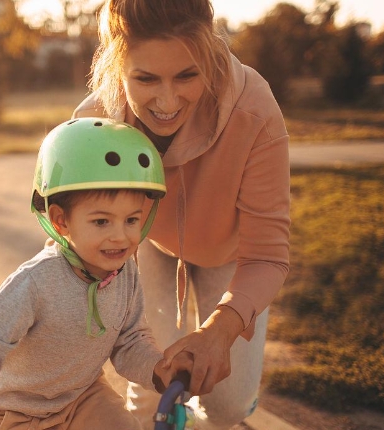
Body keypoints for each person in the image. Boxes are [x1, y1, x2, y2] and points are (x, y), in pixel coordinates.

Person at [72, 1, 291, 429]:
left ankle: (227, 408)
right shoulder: (94, 122)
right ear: (119, 66)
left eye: (187, 75)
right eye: (146, 78)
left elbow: (268, 255)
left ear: (209, 55)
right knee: (150, 389)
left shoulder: (255, 111)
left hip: (229, 251)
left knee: (225, 406)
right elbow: (71, 238)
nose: (167, 100)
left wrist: (218, 333)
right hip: (148, 244)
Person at [0, 117, 194, 430]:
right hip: (15, 411)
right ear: (61, 220)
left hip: (82, 399)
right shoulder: (37, 281)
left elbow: (129, 340)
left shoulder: (125, 270)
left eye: (131, 220)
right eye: (102, 222)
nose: (121, 237)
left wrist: (159, 369)